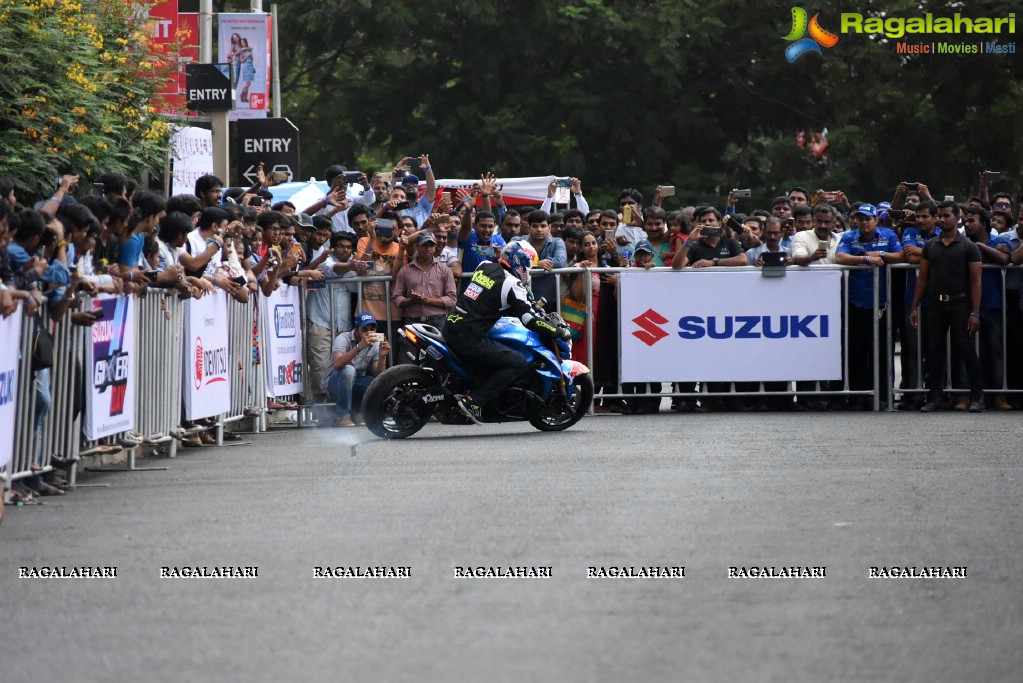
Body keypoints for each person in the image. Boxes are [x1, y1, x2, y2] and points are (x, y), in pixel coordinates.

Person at [441, 241, 570, 424]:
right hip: (469, 337)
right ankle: (474, 402)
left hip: (451, 326)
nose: (529, 270)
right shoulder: (512, 283)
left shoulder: (484, 266)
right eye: (529, 265)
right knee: (517, 362)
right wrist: (556, 331)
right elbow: (529, 319)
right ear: (521, 262)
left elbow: (491, 296)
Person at [909, 201, 983, 413]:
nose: (942, 219)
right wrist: (914, 306)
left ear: (957, 217)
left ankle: (977, 397)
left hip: (960, 303)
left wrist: (975, 312)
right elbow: (922, 278)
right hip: (935, 304)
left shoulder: (969, 246)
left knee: (966, 349)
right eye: (940, 215)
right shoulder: (931, 245)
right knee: (934, 351)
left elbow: (976, 281)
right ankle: (935, 397)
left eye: (946, 215)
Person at [323, 313, 390, 427]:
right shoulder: (343, 338)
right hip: (334, 382)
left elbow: (379, 374)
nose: (369, 332)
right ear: (356, 330)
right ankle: (342, 416)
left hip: (355, 383)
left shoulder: (375, 343)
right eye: (364, 329)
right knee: (349, 370)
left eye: (372, 329)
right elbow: (338, 364)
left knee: (380, 383)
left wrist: (382, 356)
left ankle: (357, 411)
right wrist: (359, 347)